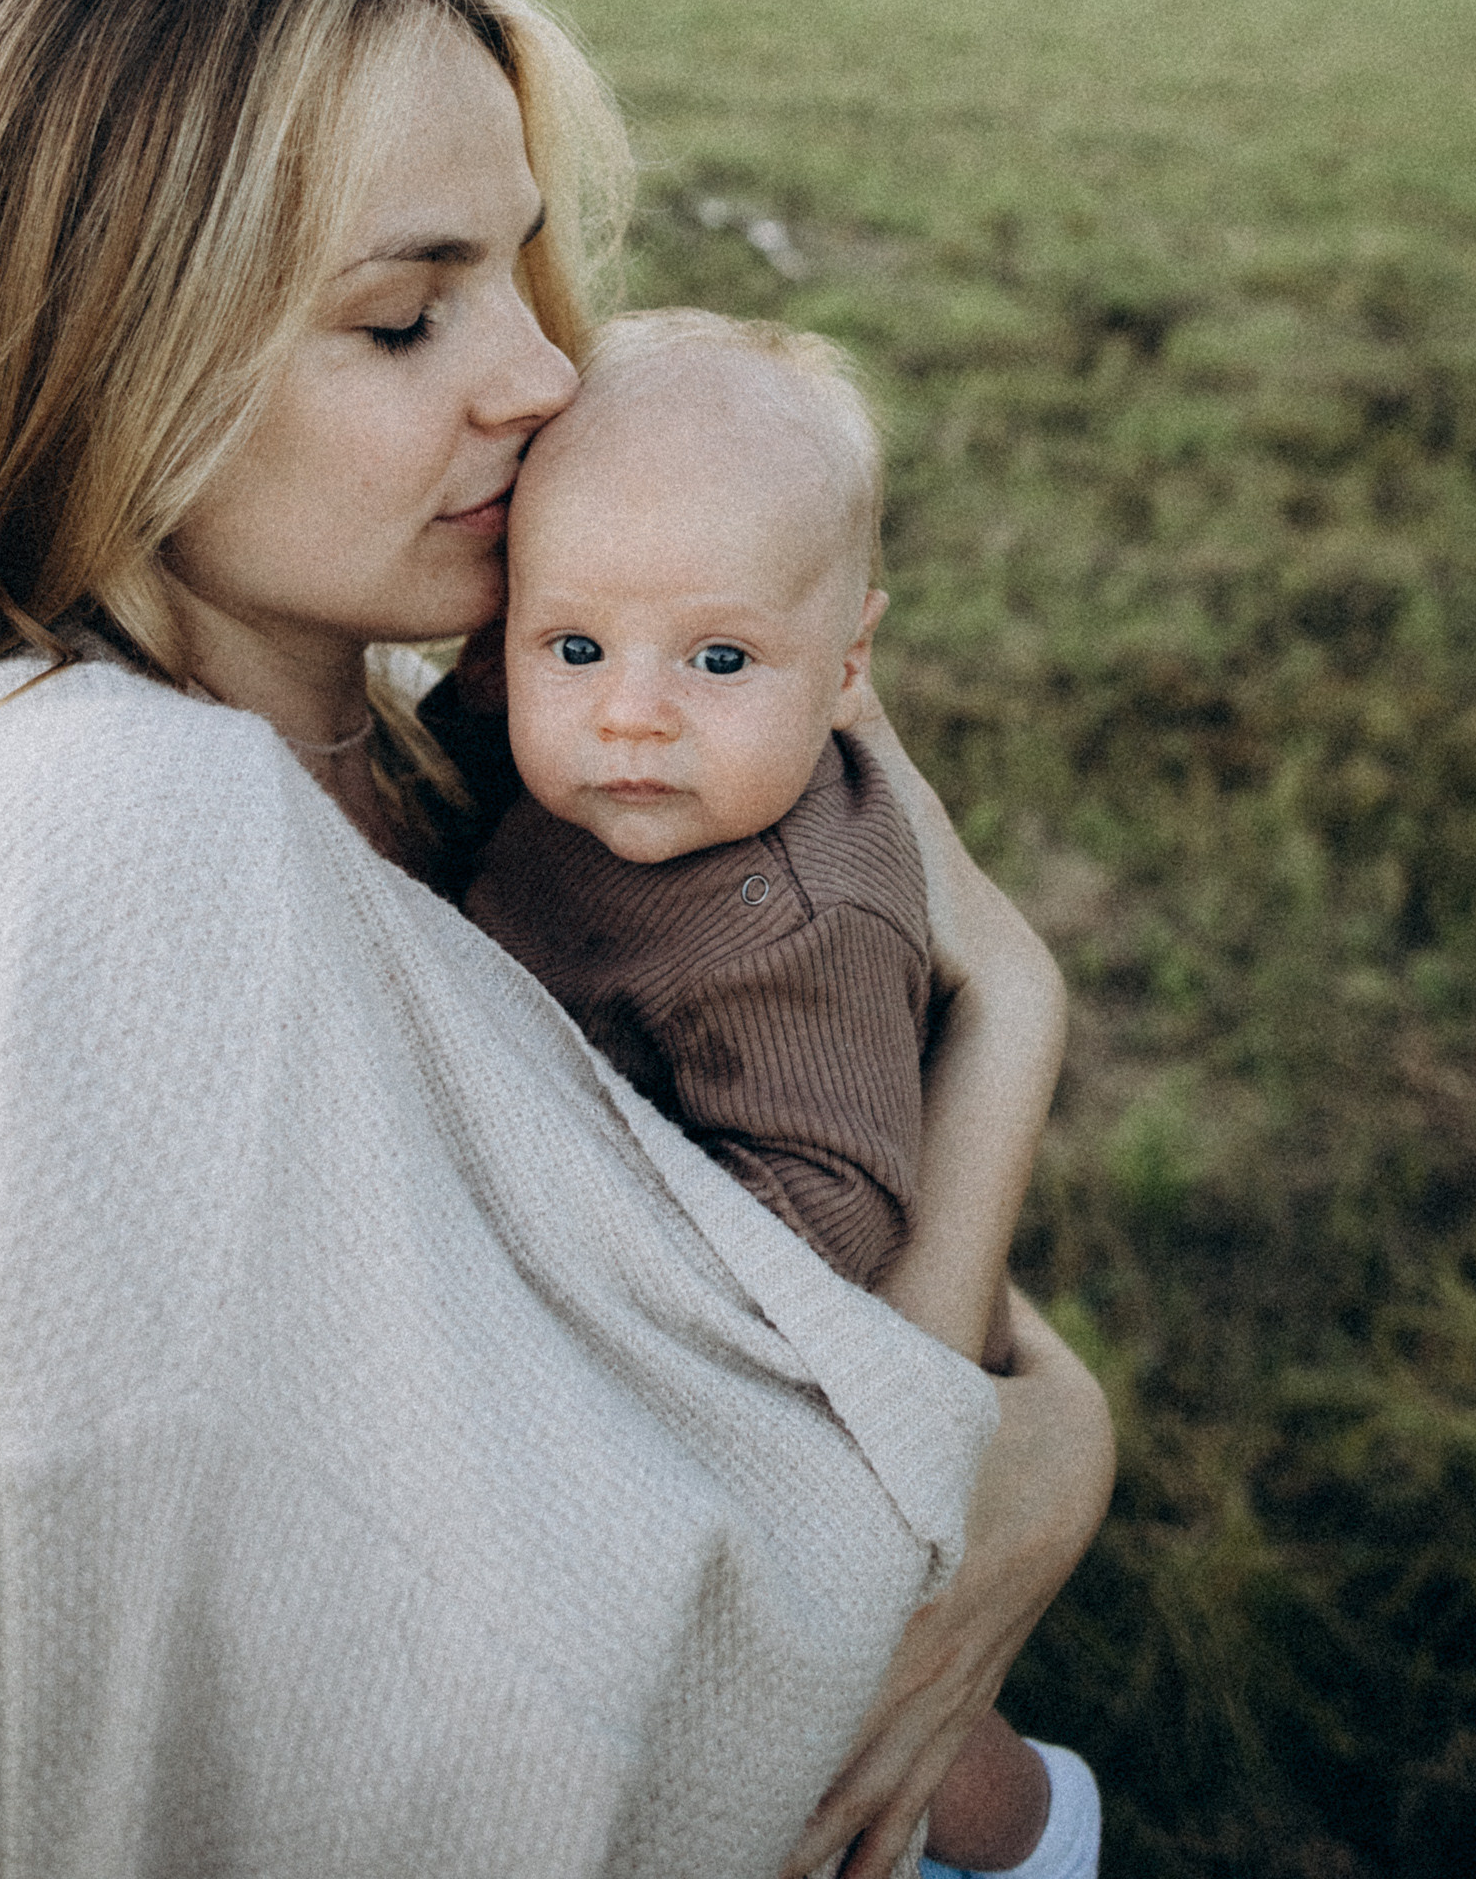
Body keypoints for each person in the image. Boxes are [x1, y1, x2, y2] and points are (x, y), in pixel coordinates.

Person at [0, 0, 1114, 1879]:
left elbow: (759, 1248)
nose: (543, 373)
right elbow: (679, 1647)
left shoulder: (432, 744)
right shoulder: (121, 841)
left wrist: (1052, 1433)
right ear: (93, 355)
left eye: (516, 260)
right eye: (405, 318)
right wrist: (1011, 1019)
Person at [444, 308, 1098, 1878]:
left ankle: (1040, 1840)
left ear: (850, 664)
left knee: (858, 1751)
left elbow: (834, 1202)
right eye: (573, 646)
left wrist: (587, 1265)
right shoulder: (600, 764)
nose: (634, 716)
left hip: (781, 1394)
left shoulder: (797, 925)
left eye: (721, 659)